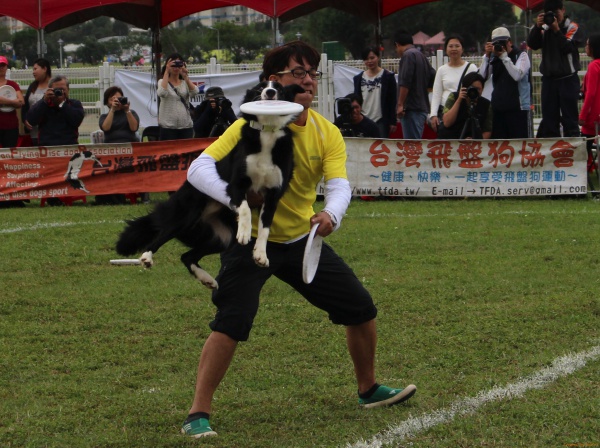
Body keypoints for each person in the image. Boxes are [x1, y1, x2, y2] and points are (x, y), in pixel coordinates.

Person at [183, 40, 416, 439]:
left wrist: (331, 214)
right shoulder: (248, 125)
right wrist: (237, 198)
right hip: (252, 242)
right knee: (231, 323)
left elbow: (339, 185)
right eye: (298, 73)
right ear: (275, 81)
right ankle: (196, 414)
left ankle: (369, 389)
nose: (308, 80)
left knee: (360, 308)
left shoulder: (326, 132)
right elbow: (198, 168)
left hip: (300, 242)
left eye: (312, 73)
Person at [527, 0, 581, 137]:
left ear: (563, 10)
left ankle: (572, 152)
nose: (554, 18)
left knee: (570, 119)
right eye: (550, 14)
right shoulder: (544, 27)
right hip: (549, 80)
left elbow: (567, 48)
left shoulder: (571, 26)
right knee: (549, 120)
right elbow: (532, 44)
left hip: (567, 79)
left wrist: (557, 30)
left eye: (556, 13)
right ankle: (552, 153)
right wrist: (537, 27)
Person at [480, 27, 531, 139]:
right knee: (500, 144)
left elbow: (517, 75)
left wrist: (504, 57)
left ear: (510, 42)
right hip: (498, 108)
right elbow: (482, 77)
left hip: (518, 109)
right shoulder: (493, 58)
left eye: (503, 42)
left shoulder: (521, 55)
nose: (500, 46)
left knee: (518, 143)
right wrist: (487, 57)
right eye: (497, 43)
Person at [96, 86, 141, 205]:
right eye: (112, 99)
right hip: (111, 151)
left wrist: (127, 110)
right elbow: (106, 127)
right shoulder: (104, 116)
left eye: (119, 98)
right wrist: (113, 110)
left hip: (129, 150)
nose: (116, 101)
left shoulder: (131, 113)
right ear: (107, 102)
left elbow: (134, 128)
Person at [429, 34, 477, 134]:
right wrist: (433, 115)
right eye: (450, 46)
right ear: (446, 50)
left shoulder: (472, 68)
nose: (454, 49)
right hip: (445, 112)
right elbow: (436, 94)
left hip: (464, 113)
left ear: (462, 49)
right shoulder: (442, 70)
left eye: (457, 46)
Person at [394, 31, 436, 139]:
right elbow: (433, 75)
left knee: (411, 148)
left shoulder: (407, 56)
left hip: (411, 109)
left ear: (397, 44)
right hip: (422, 107)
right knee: (416, 143)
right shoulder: (421, 55)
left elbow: (405, 82)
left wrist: (400, 105)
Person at [26, 75, 85, 146]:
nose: (59, 92)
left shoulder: (74, 104)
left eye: (62, 89)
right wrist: (44, 101)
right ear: (50, 90)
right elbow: (31, 120)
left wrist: (62, 103)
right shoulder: (44, 105)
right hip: (47, 146)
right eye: (56, 90)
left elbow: (76, 121)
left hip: (69, 145)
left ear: (68, 90)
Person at [352, 46, 397, 138]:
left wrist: (393, 121)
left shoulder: (388, 77)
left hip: (381, 120)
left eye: (372, 58)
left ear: (378, 57)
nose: (370, 61)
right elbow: (356, 100)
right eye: (366, 59)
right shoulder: (358, 79)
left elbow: (393, 100)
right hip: (363, 118)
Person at [157, 53, 199, 141]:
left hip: (186, 126)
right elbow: (162, 93)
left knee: (187, 153)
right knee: (169, 154)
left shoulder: (184, 83)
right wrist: (167, 71)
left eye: (179, 64)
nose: (176, 67)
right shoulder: (162, 82)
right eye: (173, 64)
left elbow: (195, 92)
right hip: (168, 127)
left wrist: (185, 76)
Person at [438, 72, 492, 139]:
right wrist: (459, 100)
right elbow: (447, 123)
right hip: (452, 141)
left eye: (478, 89)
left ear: (483, 89)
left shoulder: (486, 104)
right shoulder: (454, 97)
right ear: (464, 88)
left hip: (474, 144)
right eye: (472, 88)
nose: (474, 91)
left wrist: (476, 142)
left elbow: (487, 130)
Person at [579, 32, 600, 193]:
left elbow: (591, 94)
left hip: (594, 117)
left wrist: (582, 116)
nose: (585, 47)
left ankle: (583, 176)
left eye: (587, 44)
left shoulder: (594, 66)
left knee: (585, 145)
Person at [22, 58, 52, 146]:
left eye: (35, 69)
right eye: (33, 70)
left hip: (49, 134)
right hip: (33, 134)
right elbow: (25, 105)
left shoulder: (53, 85)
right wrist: (24, 120)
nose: (33, 72)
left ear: (45, 69)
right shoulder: (32, 86)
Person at [0, 56, 25, 148]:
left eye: (3, 65)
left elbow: (21, 102)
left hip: (11, 126)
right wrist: (12, 102)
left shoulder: (13, 85)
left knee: (10, 154)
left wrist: (3, 101)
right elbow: (17, 102)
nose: (1, 68)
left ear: (7, 67)